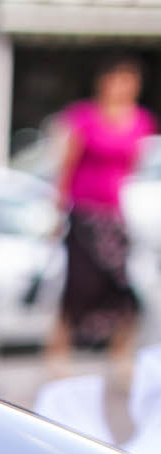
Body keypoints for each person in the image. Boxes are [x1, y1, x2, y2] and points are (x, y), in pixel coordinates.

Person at [46, 53, 155, 389]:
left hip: (117, 218)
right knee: (77, 286)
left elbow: (136, 168)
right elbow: (66, 165)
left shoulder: (141, 122)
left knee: (121, 289)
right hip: (84, 215)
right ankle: (57, 355)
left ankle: (120, 356)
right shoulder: (84, 118)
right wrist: (57, 209)